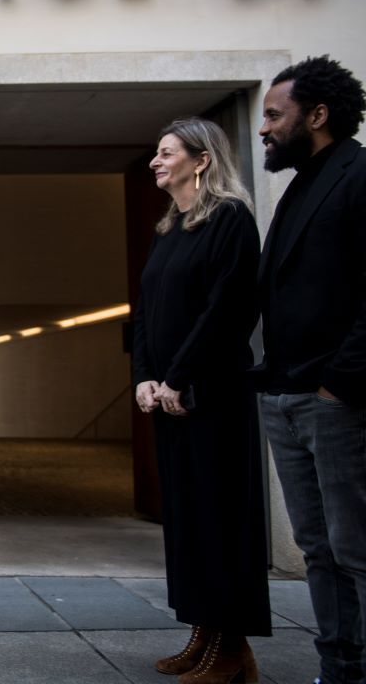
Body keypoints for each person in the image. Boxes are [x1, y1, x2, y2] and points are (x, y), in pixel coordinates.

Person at [132, 118, 271, 684]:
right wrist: (145, 377)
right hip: (169, 399)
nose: (155, 162)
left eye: (167, 153)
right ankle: (204, 633)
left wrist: (180, 378)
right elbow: (144, 312)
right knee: (187, 523)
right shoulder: (170, 228)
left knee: (220, 522)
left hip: (210, 398)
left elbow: (228, 313)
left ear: (201, 160)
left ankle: (233, 650)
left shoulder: (231, 220)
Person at [254, 56, 366, 684]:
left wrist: (337, 384)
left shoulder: (357, 175)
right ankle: (339, 667)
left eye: (275, 114)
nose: (265, 128)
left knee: (355, 549)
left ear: (317, 115)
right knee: (318, 549)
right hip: (286, 393)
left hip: (334, 399)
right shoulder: (298, 184)